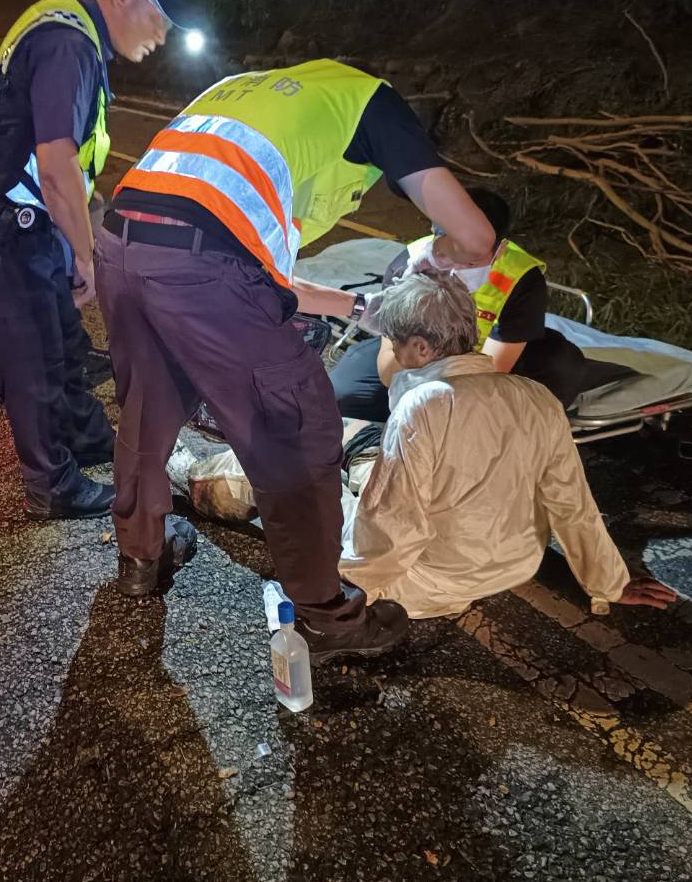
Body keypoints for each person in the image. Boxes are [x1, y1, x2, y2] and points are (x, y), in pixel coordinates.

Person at [96, 57, 497, 663]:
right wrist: (427, 262)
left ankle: (138, 557)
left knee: (149, 405)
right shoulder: (373, 104)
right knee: (299, 426)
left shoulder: (246, 96)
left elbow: (271, 275)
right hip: (205, 267)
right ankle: (325, 615)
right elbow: (476, 238)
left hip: (123, 246)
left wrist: (365, 307)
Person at [0, 0, 196, 519]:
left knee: (62, 341)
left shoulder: (66, 22)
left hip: (17, 221)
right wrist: (86, 258)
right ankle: (51, 486)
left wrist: (75, 238)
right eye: (161, 20)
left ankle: (83, 437)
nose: (162, 38)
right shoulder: (68, 45)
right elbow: (55, 169)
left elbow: (68, 170)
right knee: (31, 356)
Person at [339, 272, 677, 616]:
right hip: (517, 565)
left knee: (325, 465)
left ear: (421, 346)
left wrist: (351, 596)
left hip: (430, 579)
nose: (393, 351)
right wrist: (610, 581)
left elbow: (393, 521)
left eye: (395, 343)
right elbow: (572, 501)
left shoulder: (423, 405)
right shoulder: (537, 396)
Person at [331, 187, 600, 421]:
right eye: (450, 251)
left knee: (563, 366)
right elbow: (389, 362)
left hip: (487, 357)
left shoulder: (520, 277)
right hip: (420, 354)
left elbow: (491, 369)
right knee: (346, 392)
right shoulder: (410, 265)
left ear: (499, 247)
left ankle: (521, 436)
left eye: (472, 259)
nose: (457, 265)